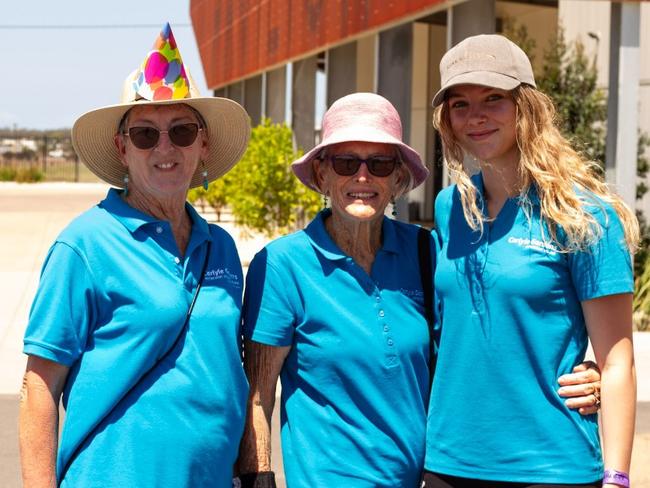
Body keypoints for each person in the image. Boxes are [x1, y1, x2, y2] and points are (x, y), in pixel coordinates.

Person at [236, 93, 601, 488]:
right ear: (322, 175)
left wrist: (583, 371)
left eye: (379, 164)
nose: (363, 177)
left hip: (427, 479)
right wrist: (259, 480)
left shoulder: (424, 251)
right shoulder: (282, 264)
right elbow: (257, 396)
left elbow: (474, 345)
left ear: (397, 180)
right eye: (345, 163)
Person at [19, 23, 250, 488]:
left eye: (182, 131)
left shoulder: (219, 246)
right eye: (146, 134)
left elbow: (230, 374)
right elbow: (38, 389)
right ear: (122, 149)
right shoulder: (83, 245)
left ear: (202, 146)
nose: (165, 147)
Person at [423, 34, 638, 488]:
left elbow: (618, 363)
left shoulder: (584, 215)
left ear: (527, 107)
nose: (475, 116)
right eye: (459, 104)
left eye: (493, 99)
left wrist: (617, 478)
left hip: (549, 464)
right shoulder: (449, 208)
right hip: (448, 461)